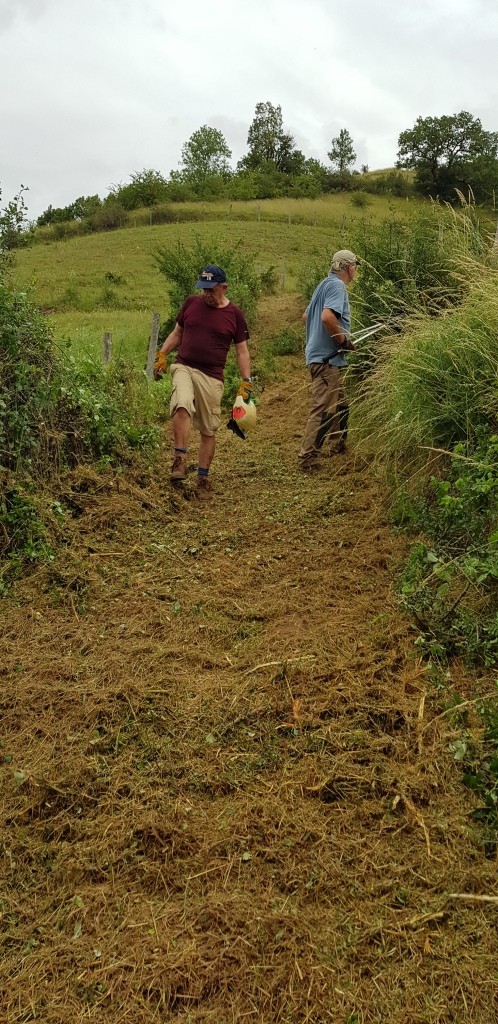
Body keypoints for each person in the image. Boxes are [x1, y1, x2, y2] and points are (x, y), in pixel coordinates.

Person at [153, 264, 252, 499]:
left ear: (223, 287)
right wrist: (162, 354)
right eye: (203, 289)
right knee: (182, 404)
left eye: (210, 289)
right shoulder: (191, 304)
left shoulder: (234, 315)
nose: (205, 293)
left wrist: (246, 381)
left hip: (212, 376)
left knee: (209, 429)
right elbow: (177, 333)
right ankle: (179, 460)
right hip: (184, 366)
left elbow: (241, 351)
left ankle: (203, 479)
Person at [298, 249, 359, 473]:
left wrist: (320, 338)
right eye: (355, 267)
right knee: (322, 408)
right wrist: (342, 341)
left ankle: (338, 443)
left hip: (320, 356)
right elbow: (326, 317)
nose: (355, 271)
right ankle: (307, 458)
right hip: (327, 360)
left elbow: (307, 317)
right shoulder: (337, 286)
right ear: (350, 268)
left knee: (340, 401)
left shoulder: (323, 284)